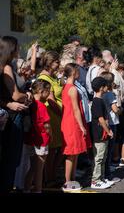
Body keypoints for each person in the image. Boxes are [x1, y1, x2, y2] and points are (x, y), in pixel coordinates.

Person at [0, 36, 32, 192]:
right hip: (12, 117)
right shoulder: (6, 68)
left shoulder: (9, 66)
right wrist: (27, 96)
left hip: (11, 114)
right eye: (17, 47)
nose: (19, 50)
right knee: (11, 159)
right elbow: (15, 95)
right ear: (11, 49)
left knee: (11, 159)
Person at [60, 64, 92, 192]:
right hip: (72, 122)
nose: (79, 73)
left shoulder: (67, 86)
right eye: (77, 71)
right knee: (71, 153)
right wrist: (81, 125)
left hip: (70, 121)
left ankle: (72, 179)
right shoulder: (72, 88)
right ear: (73, 72)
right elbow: (76, 109)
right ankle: (67, 182)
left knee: (75, 152)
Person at [37, 50, 63, 187]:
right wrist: (63, 114)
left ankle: (52, 175)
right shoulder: (44, 78)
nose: (58, 64)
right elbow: (51, 100)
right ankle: (49, 179)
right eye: (56, 61)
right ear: (49, 62)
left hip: (57, 117)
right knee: (51, 151)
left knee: (57, 149)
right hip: (52, 116)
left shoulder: (52, 77)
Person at [23, 80, 51, 193]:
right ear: (40, 91)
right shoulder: (41, 106)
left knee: (33, 167)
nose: (49, 93)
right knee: (39, 169)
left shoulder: (29, 103)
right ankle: (38, 190)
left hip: (30, 139)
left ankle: (26, 188)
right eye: (47, 91)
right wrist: (51, 135)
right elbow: (47, 125)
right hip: (41, 139)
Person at [90, 77, 113, 189]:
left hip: (103, 133)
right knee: (98, 157)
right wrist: (108, 131)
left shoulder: (100, 100)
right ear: (101, 88)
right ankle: (95, 180)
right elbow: (100, 119)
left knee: (103, 156)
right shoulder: (97, 101)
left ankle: (101, 178)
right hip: (99, 133)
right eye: (105, 86)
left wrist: (108, 129)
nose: (106, 88)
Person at [99, 71, 121, 184]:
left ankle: (105, 172)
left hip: (105, 122)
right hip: (112, 122)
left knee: (106, 150)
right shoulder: (110, 95)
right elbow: (115, 109)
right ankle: (108, 174)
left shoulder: (101, 94)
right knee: (109, 150)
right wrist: (120, 109)